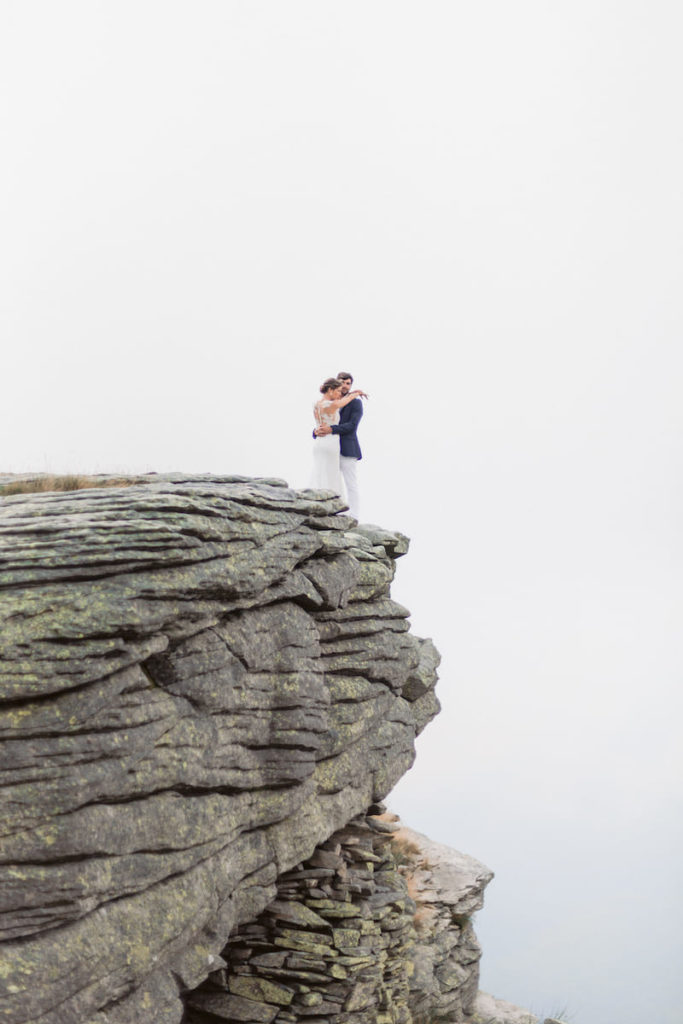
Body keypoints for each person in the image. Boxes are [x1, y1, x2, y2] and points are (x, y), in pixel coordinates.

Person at [310, 377, 366, 513]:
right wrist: (316, 431)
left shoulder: (354, 403)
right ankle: (328, 509)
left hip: (345, 448)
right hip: (330, 445)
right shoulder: (333, 403)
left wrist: (330, 429)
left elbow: (352, 426)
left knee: (348, 483)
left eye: (348, 384)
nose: (345, 386)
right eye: (342, 384)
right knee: (327, 476)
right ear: (334, 386)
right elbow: (324, 425)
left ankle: (353, 516)